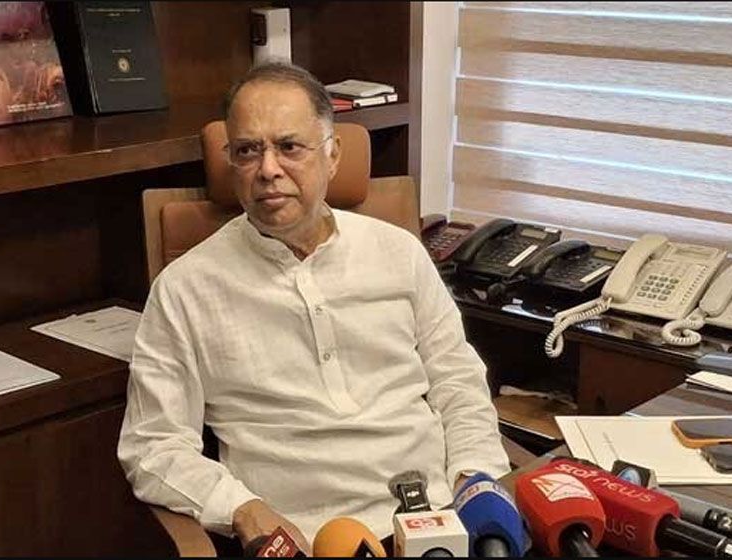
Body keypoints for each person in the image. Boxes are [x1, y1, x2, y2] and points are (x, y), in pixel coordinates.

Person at [117, 62, 509, 552]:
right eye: (247, 150)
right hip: (305, 538)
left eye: (289, 146)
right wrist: (241, 509)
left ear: (333, 155)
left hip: (437, 521)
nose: (268, 169)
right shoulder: (184, 289)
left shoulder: (399, 252)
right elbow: (152, 445)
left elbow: (458, 381)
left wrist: (474, 476)